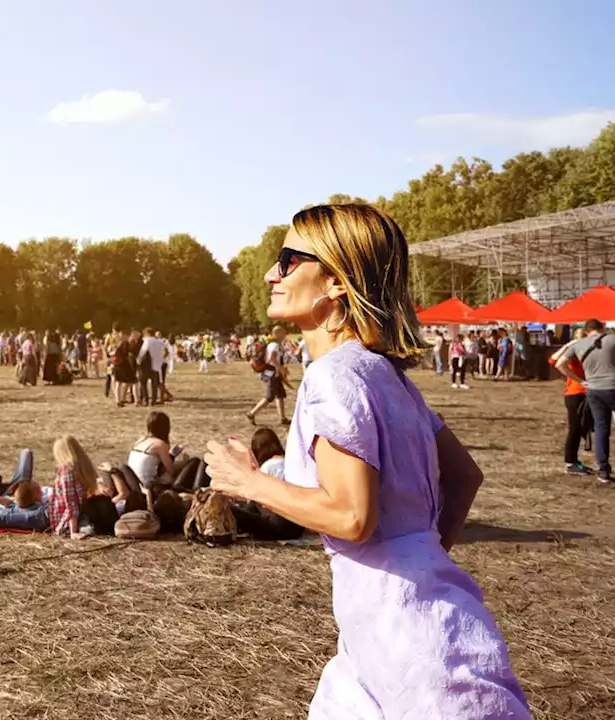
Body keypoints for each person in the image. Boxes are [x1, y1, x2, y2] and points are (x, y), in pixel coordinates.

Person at [204, 204, 529, 718]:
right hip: (392, 628)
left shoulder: (334, 375)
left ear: (335, 281)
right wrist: (418, 555)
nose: (271, 273)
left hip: (410, 643)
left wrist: (250, 483)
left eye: (287, 260)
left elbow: (351, 516)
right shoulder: (388, 375)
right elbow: (465, 476)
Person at [556, 319, 614, 482]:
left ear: (587, 330)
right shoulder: (612, 339)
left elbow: (560, 364)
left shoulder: (579, 344)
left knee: (602, 430)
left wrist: (581, 380)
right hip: (612, 386)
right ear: (602, 327)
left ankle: (603, 470)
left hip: (593, 390)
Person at [549, 329, 591, 475]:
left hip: (586, 392)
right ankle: (570, 462)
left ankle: (575, 459)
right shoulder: (571, 352)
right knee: (574, 429)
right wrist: (569, 344)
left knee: (582, 428)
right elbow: (553, 360)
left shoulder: (588, 351)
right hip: (575, 392)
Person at [246, 326, 293, 425]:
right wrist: (281, 369)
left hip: (274, 374)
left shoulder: (274, 344)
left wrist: (281, 369)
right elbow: (272, 358)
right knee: (269, 397)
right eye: (283, 333)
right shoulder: (274, 345)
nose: (285, 335)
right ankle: (252, 413)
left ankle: (282, 418)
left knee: (280, 395)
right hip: (270, 375)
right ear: (278, 334)